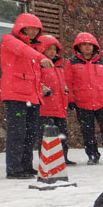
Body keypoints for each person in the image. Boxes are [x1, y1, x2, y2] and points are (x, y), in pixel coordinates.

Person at [0, 13, 54, 179]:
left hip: (33, 97)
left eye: (36, 29)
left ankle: (26, 166)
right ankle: (14, 169)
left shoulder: (34, 47)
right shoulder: (9, 39)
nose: (32, 32)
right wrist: (41, 57)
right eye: (29, 28)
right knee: (17, 133)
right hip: (16, 96)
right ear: (21, 27)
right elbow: (23, 50)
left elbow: (34, 73)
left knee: (30, 133)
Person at [65, 32, 103, 165]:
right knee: (87, 131)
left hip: (102, 101)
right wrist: (70, 100)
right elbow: (68, 82)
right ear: (78, 46)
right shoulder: (71, 63)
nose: (87, 47)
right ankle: (92, 155)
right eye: (84, 44)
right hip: (82, 102)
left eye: (90, 44)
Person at [35, 35, 76, 165]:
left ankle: (63, 157)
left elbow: (62, 85)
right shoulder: (39, 66)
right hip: (45, 108)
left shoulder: (59, 67)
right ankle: (46, 159)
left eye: (54, 49)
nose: (52, 52)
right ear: (42, 50)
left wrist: (66, 93)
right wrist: (43, 89)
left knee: (62, 135)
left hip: (59, 108)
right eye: (49, 49)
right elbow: (36, 83)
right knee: (46, 136)